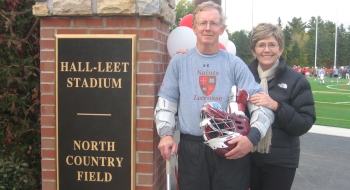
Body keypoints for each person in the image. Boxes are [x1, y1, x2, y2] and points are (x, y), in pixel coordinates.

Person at [154, 2, 274, 190]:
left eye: (213, 23)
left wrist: (252, 139)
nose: (207, 28)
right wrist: (166, 134)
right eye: (202, 23)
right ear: (194, 27)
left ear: (222, 28)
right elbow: (165, 104)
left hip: (230, 148)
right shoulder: (179, 62)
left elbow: (261, 105)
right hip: (192, 150)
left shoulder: (235, 64)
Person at [247, 23, 316, 190]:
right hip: (247, 158)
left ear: (281, 48)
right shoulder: (243, 76)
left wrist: (277, 106)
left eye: (272, 44)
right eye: (261, 45)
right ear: (253, 50)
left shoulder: (296, 80)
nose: (267, 50)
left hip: (280, 161)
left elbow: (305, 122)